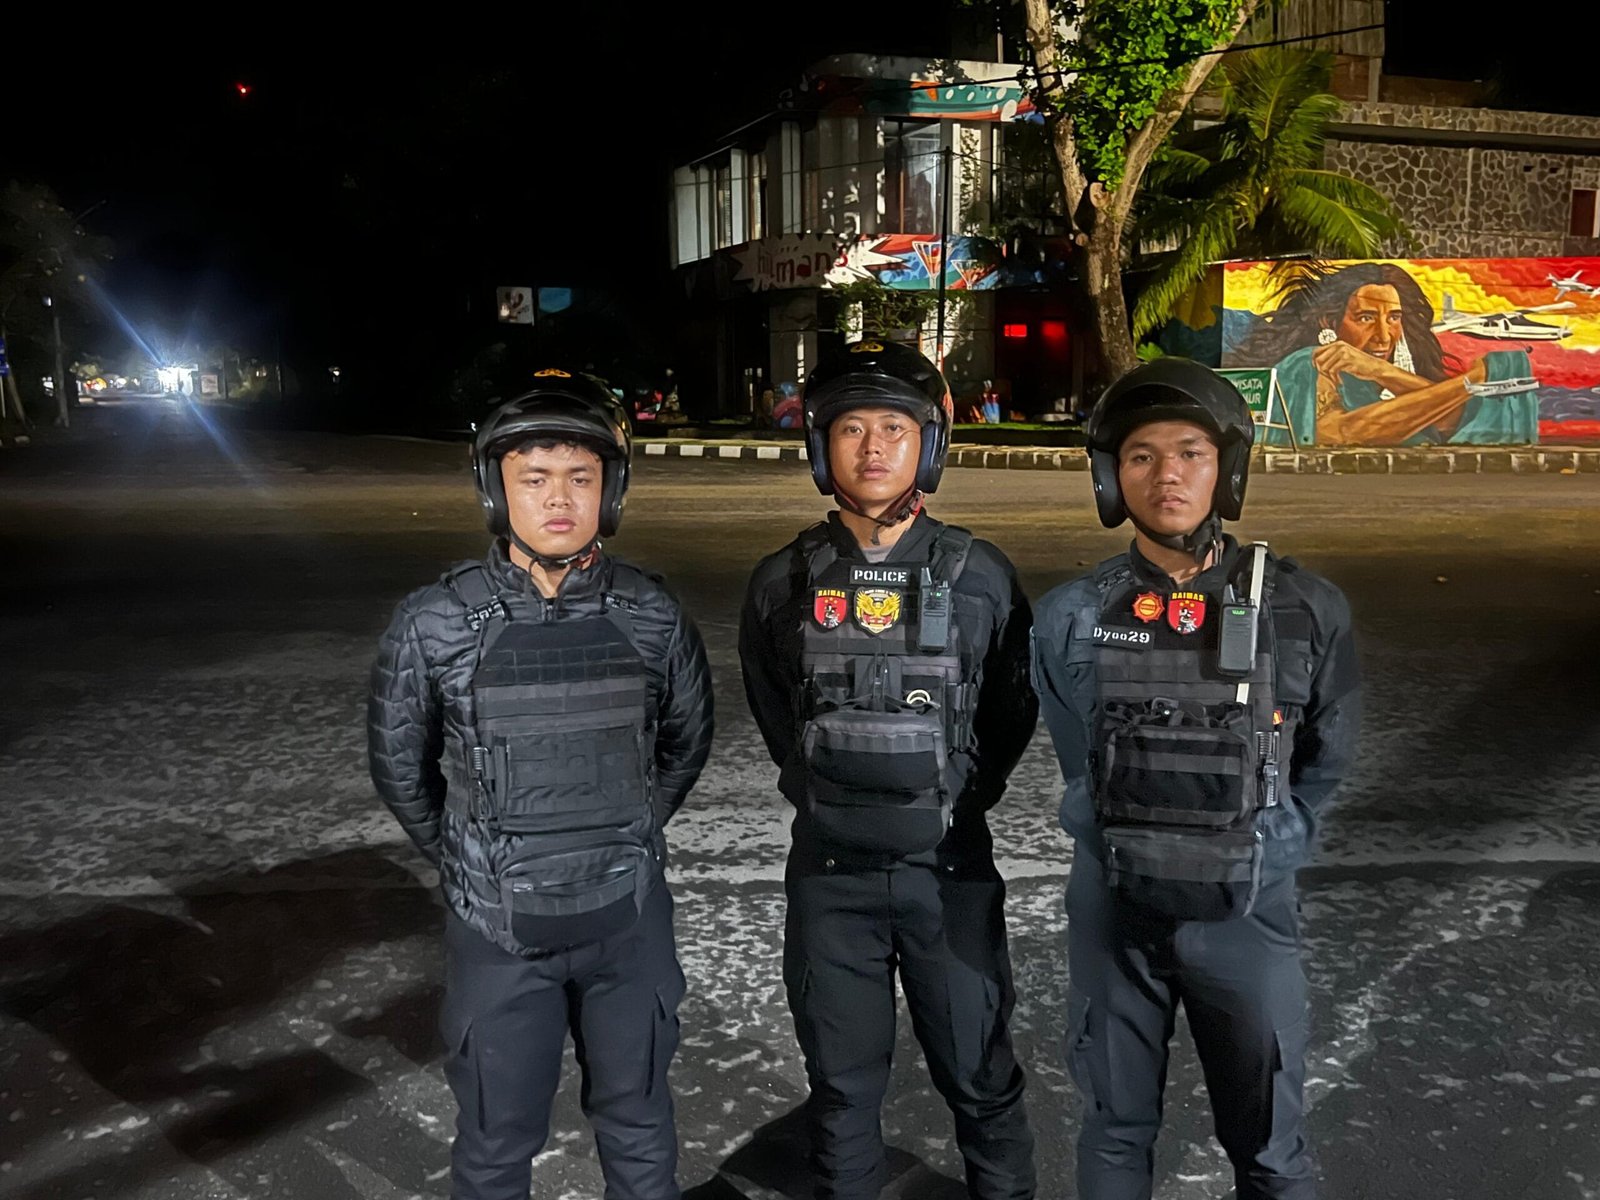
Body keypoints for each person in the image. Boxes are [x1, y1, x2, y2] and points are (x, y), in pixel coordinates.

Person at [368, 369, 714, 1200]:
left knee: (638, 1125)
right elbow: (400, 767)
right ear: (496, 490)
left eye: (580, 477)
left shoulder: (652, 614)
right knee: (497, 1141)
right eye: (534, 478)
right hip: (499, 932)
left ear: (610, 490)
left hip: (627, 921)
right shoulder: (435, 621)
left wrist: (629, 830)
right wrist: (473, 855)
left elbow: (686, 741)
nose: (559, 498)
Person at [1030, 357, 1362, 1199]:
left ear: (1227, 468)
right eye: (1141, 455)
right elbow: (1077, 755)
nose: (1166, 475)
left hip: (1248, 909)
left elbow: (1325, 757)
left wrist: (1267, 841)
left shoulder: (1303, 607)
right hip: (1115, 906)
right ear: (1112, 475)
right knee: (1114, 1131)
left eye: (1190, 452)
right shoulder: (1071, 615)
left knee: (1271, 1149)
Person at [739, 339, 1038, 1200]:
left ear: (929, 444)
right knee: (842, 1090)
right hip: (831, 878)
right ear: (821, 445)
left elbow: (1010, 712)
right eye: (851, 429)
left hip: (948, 874)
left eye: (895, 429)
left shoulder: (982, 576)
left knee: (981, 1078)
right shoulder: (781, 581)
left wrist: (949, 798)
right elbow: (776, 714)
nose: (873, 448)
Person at [1235, 261, 1536, 446]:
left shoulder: (1373, 377)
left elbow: (1451, 418)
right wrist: (1477, 379)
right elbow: (1339, 432)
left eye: (1393, 318)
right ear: (1329, 321)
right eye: (1366, 318)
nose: (1383, 335)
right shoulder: (1313, 362)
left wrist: (1384, 372)